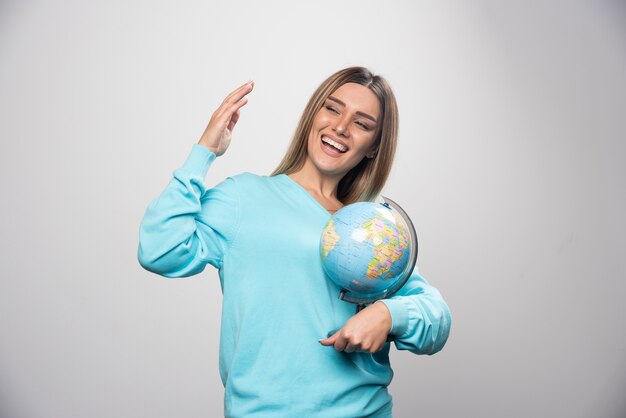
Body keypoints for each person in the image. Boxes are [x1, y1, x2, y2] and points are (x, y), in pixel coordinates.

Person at [137, 67, 451, 418]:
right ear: (313, 114)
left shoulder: (374, 225)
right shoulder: (243, 197)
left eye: (362, 124)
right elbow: (158, 250)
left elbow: (437, 320)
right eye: (332, 108)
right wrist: (205, 151)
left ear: (374, 146)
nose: (340, 127)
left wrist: (388, 314)